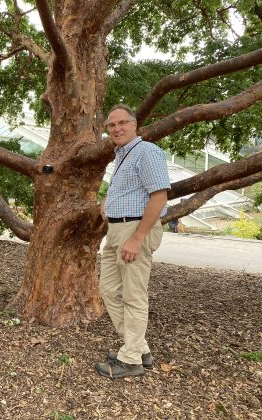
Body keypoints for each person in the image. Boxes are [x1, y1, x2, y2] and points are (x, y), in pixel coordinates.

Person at [96, 104, 171, 379]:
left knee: (133, 296)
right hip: (117, 230)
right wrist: (108, 199)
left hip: (135, 229)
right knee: (108, 290)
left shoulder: (146, 152)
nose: (116, 128)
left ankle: (130, 361)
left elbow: (159, 196)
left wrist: (138, 237)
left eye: (122, 123)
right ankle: (138, 347)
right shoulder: (123, 154)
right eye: (111, 125)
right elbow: (131, 188)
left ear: (134, 124)